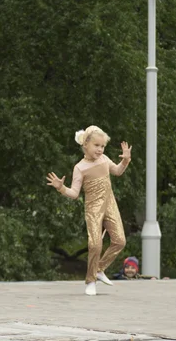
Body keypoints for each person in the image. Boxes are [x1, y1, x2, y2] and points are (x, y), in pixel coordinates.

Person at [47, 126, 131, 296]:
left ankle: (99, 269)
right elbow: (74, 193)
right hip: (93, 209)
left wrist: (125, 160)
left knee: (120, 241)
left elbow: (118, 171)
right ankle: (91, 280)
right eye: (96, 145)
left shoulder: (105, 159)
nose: (100, 150)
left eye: (102, 146)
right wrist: (61, 188)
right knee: (95, 244)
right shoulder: (80, 168)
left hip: (110, 205)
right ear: (85, 144)